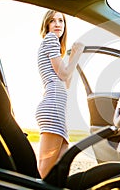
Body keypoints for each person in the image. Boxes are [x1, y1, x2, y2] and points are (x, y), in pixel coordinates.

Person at [35, 9, 85, 178]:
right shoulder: (50, 40)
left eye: (61, 21)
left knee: (61, 164)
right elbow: (64, 75)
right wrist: (77, 54)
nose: (57, 24)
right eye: (53, 21)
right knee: (45, 170)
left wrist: (71, 58)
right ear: (46, 25)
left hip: (57, 107)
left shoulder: (55, 47)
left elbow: (67, 82)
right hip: (52, 106)